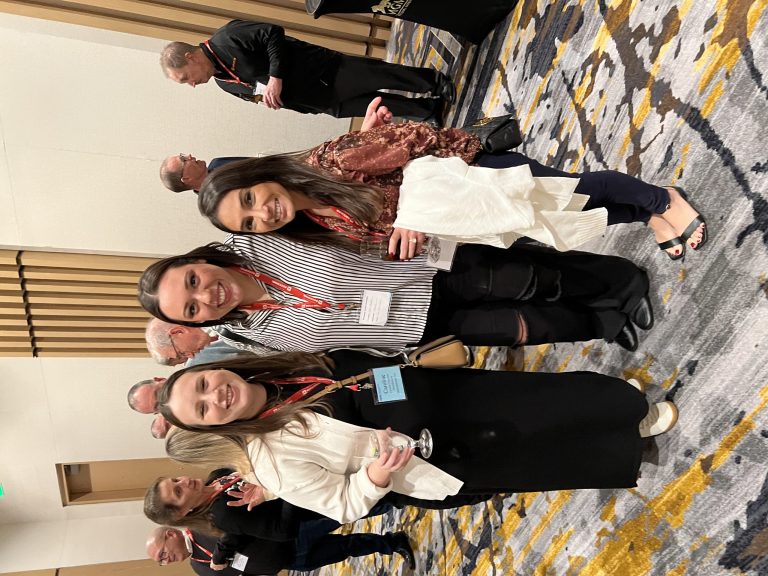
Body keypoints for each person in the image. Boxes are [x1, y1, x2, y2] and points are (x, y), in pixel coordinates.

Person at [154, 350, 677, 524]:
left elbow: (357, 368)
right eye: (202, 409)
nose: (215, 395)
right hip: (436, 453)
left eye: (202, 384)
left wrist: (403, 373)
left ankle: (616, 404)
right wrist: (374, 473)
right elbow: (342, 505)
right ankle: (628, 436)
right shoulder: (272, 462)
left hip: (442, 394)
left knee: (536, 398)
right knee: (537, 450)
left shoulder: (278, 370)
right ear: (212, 429)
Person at [197, 122, 707, 260]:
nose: (263, 214)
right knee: (564, 223)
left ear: (253, 176)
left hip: (481, 177)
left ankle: (664, 199)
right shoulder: (318, 222)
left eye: (248, 200)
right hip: (472, 219)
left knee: (576, 191)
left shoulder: (330, 163)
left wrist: (411, 216)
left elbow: (419, 138)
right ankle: (646, 215)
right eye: (249, 224)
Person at [137, 234, 653, 353]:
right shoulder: (251, 334)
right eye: (192, 309)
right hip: (416, 329)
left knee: (533, 278)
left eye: (192, 281)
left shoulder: (257, 237)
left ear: (195, 261)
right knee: (523, 328)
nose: (206, 296)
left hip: (424, 271)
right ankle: (601, 322)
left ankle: (620, 284)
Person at [160, 20, 454, 122]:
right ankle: (427, 110)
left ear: (190, 57)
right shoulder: (223, 83)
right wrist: (273, 100)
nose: (192, 85)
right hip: (317, 100)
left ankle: (435, 83)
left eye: (185, 78)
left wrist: (275, 77)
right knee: (376, 106)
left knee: (382, 76)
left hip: (322, 70)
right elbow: (257, 95)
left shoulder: (228, 37)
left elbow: (273, 33)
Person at [144, 470, 416, 571]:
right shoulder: (199, 563)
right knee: (346, 547)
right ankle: (393, 542)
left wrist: (283, 489)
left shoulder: (217, 488)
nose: (184, 482)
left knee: (355, 508)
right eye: (178, 491)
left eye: (176, 482)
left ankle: (403, 495)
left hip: (297, 521)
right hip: (287, 554)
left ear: (171, 533)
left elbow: (237, 533)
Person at [159, 96, 394, 193]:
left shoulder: (217, 163)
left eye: (184, 154)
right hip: (292, 192)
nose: (190, 156)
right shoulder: (213, 198)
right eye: (184, 160)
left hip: (291, 171)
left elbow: (260, 166)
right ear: (185, 179)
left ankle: (374, 143)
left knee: (335, 157)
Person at [145, 318, 253, 366]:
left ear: (179, 331)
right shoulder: (220, 333)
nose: (191, 356)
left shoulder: (219, 314)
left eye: (181, 353)